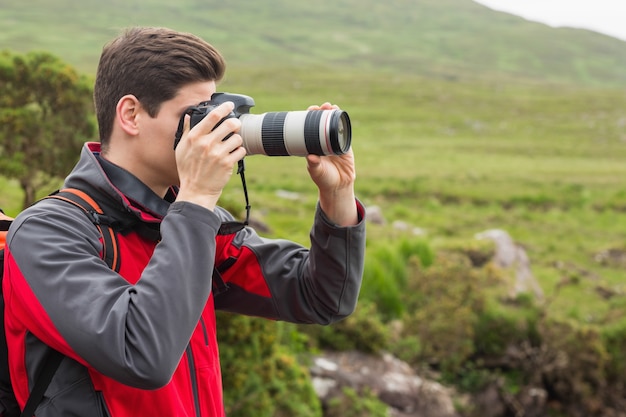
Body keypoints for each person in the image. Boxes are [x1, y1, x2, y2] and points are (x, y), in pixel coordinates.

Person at [2, 27, 365, 416]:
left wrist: (337, 194)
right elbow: (141, 354)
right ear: (131, 114)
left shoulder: (189, 220)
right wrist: (195, 201)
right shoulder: (48, 233)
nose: (209, 134)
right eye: (193, 116)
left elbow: (323, 297)